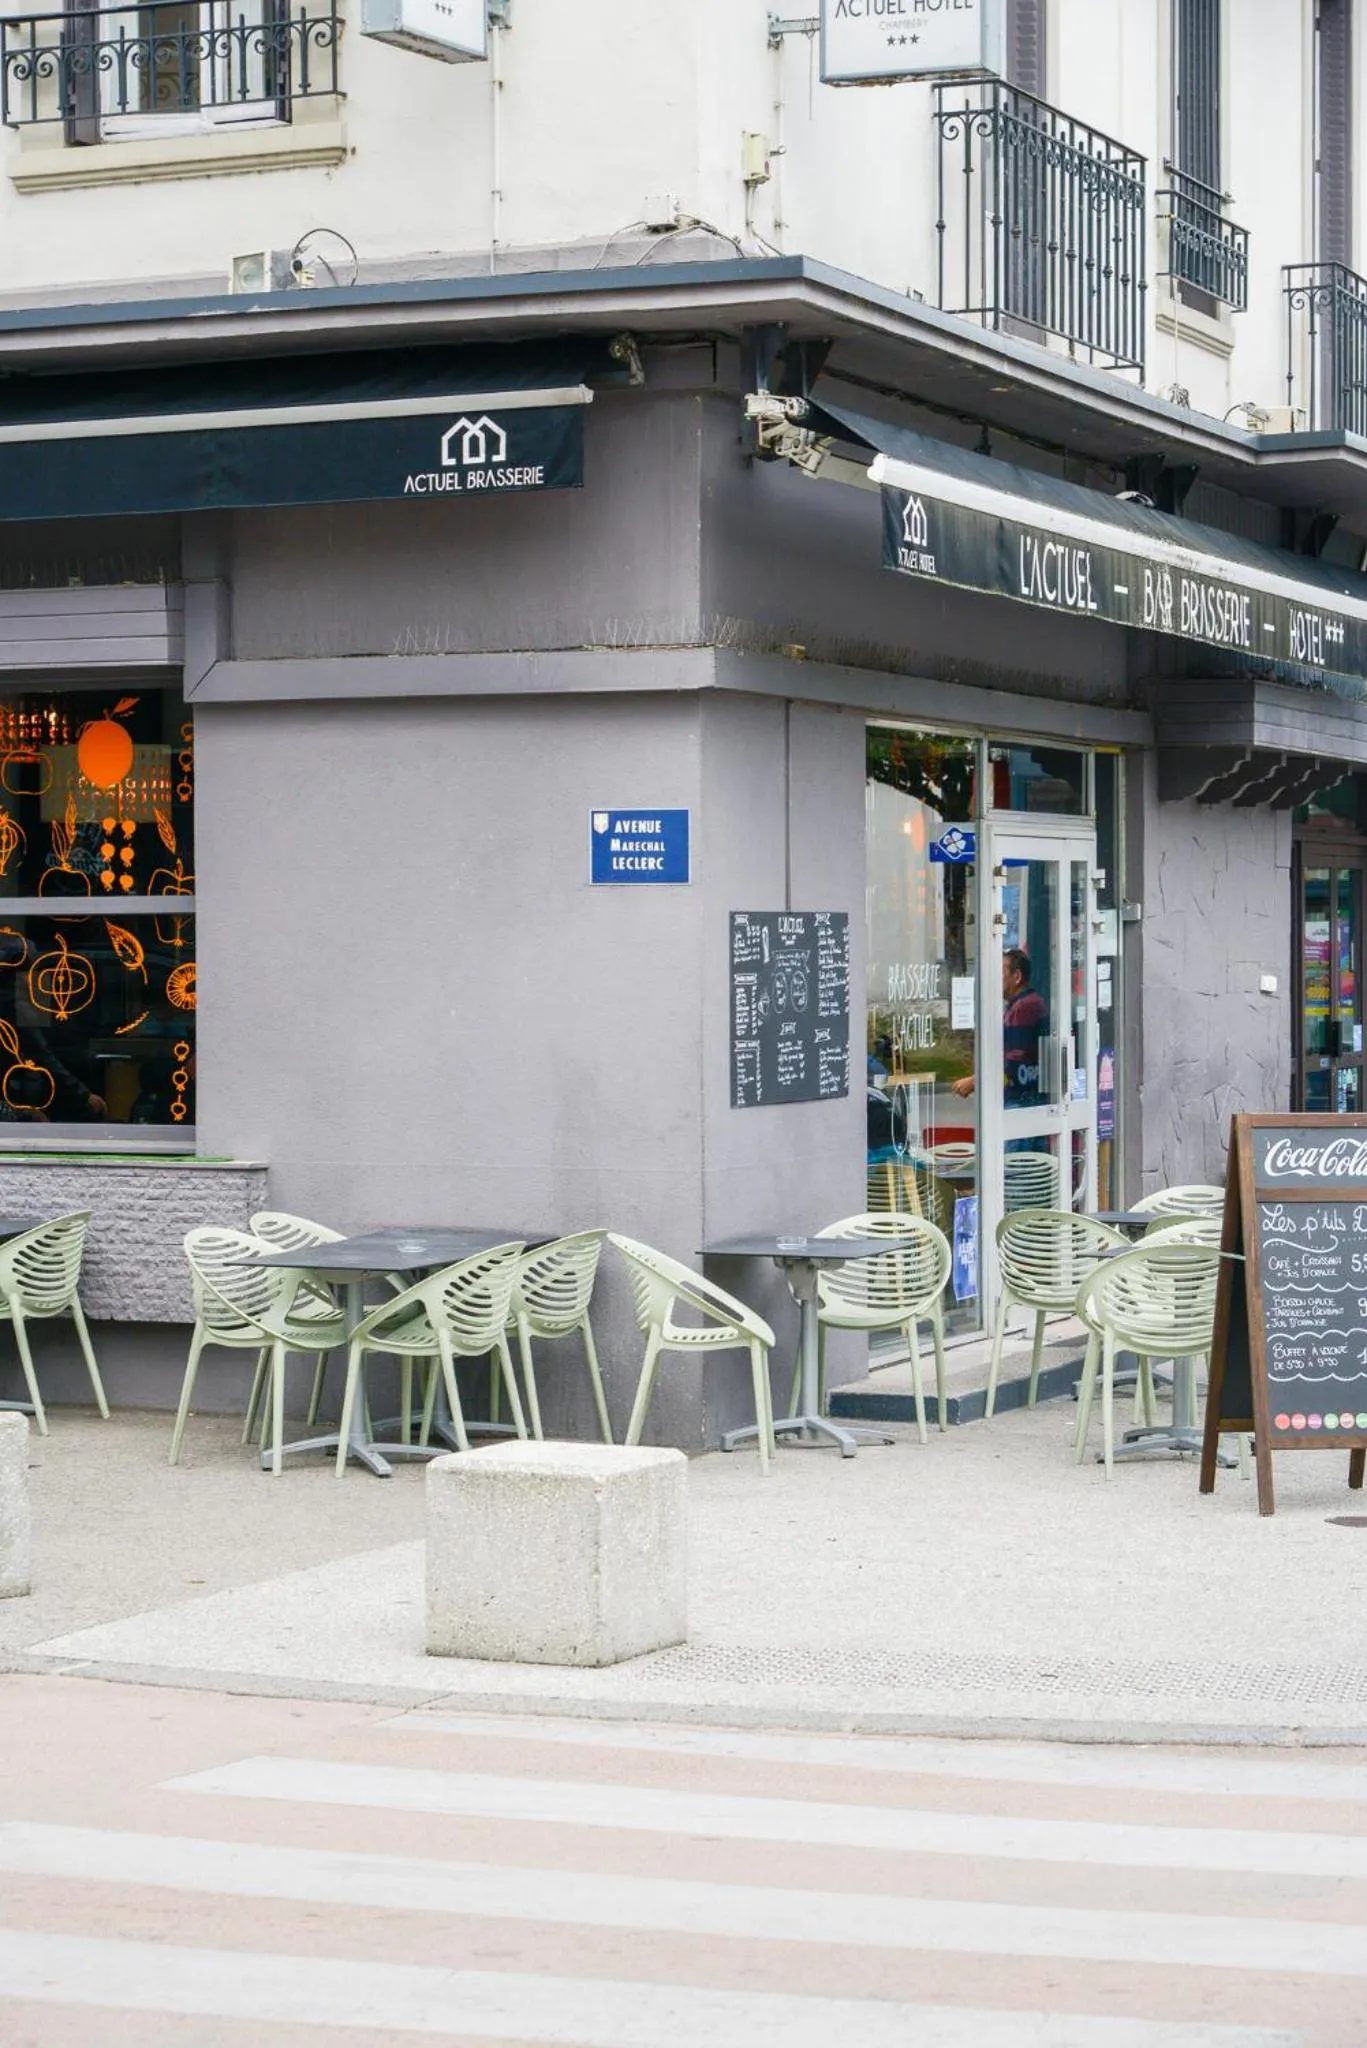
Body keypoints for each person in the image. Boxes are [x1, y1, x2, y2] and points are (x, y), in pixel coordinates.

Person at [950, 948, 1049, 1106]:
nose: (995, 979)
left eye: (1000, 973)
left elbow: (1012, 1067)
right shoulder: (1025, 1004)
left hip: (1021, 1101)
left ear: (1016, 977)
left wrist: (975, 1082)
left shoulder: (1023, 1008)